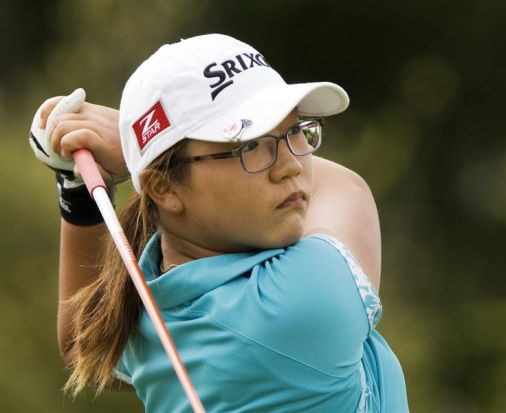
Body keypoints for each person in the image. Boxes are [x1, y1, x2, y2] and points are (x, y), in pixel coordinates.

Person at [31, 34, 409, 412]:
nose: (291, 166)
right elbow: (347, 189)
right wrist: (129, 143)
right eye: (249, 145)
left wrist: (83, 188)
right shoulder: (296, 301)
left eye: (295, 131)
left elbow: (82, 341)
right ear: (163, 188)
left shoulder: (153, 302)